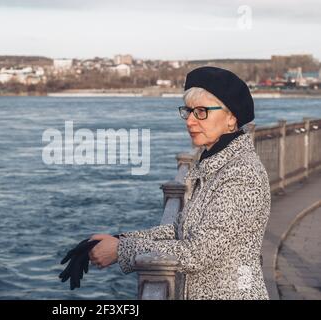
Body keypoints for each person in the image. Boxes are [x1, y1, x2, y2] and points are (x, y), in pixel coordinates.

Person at [87, 66, 271, 300]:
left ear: (231, 118)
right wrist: (121, 238)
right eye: (189, 111)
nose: (190, 121)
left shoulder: (241, 174)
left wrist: (120, 251)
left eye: (202, 112)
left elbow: (197, 252)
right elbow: (179, 231)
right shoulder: (214, 166)